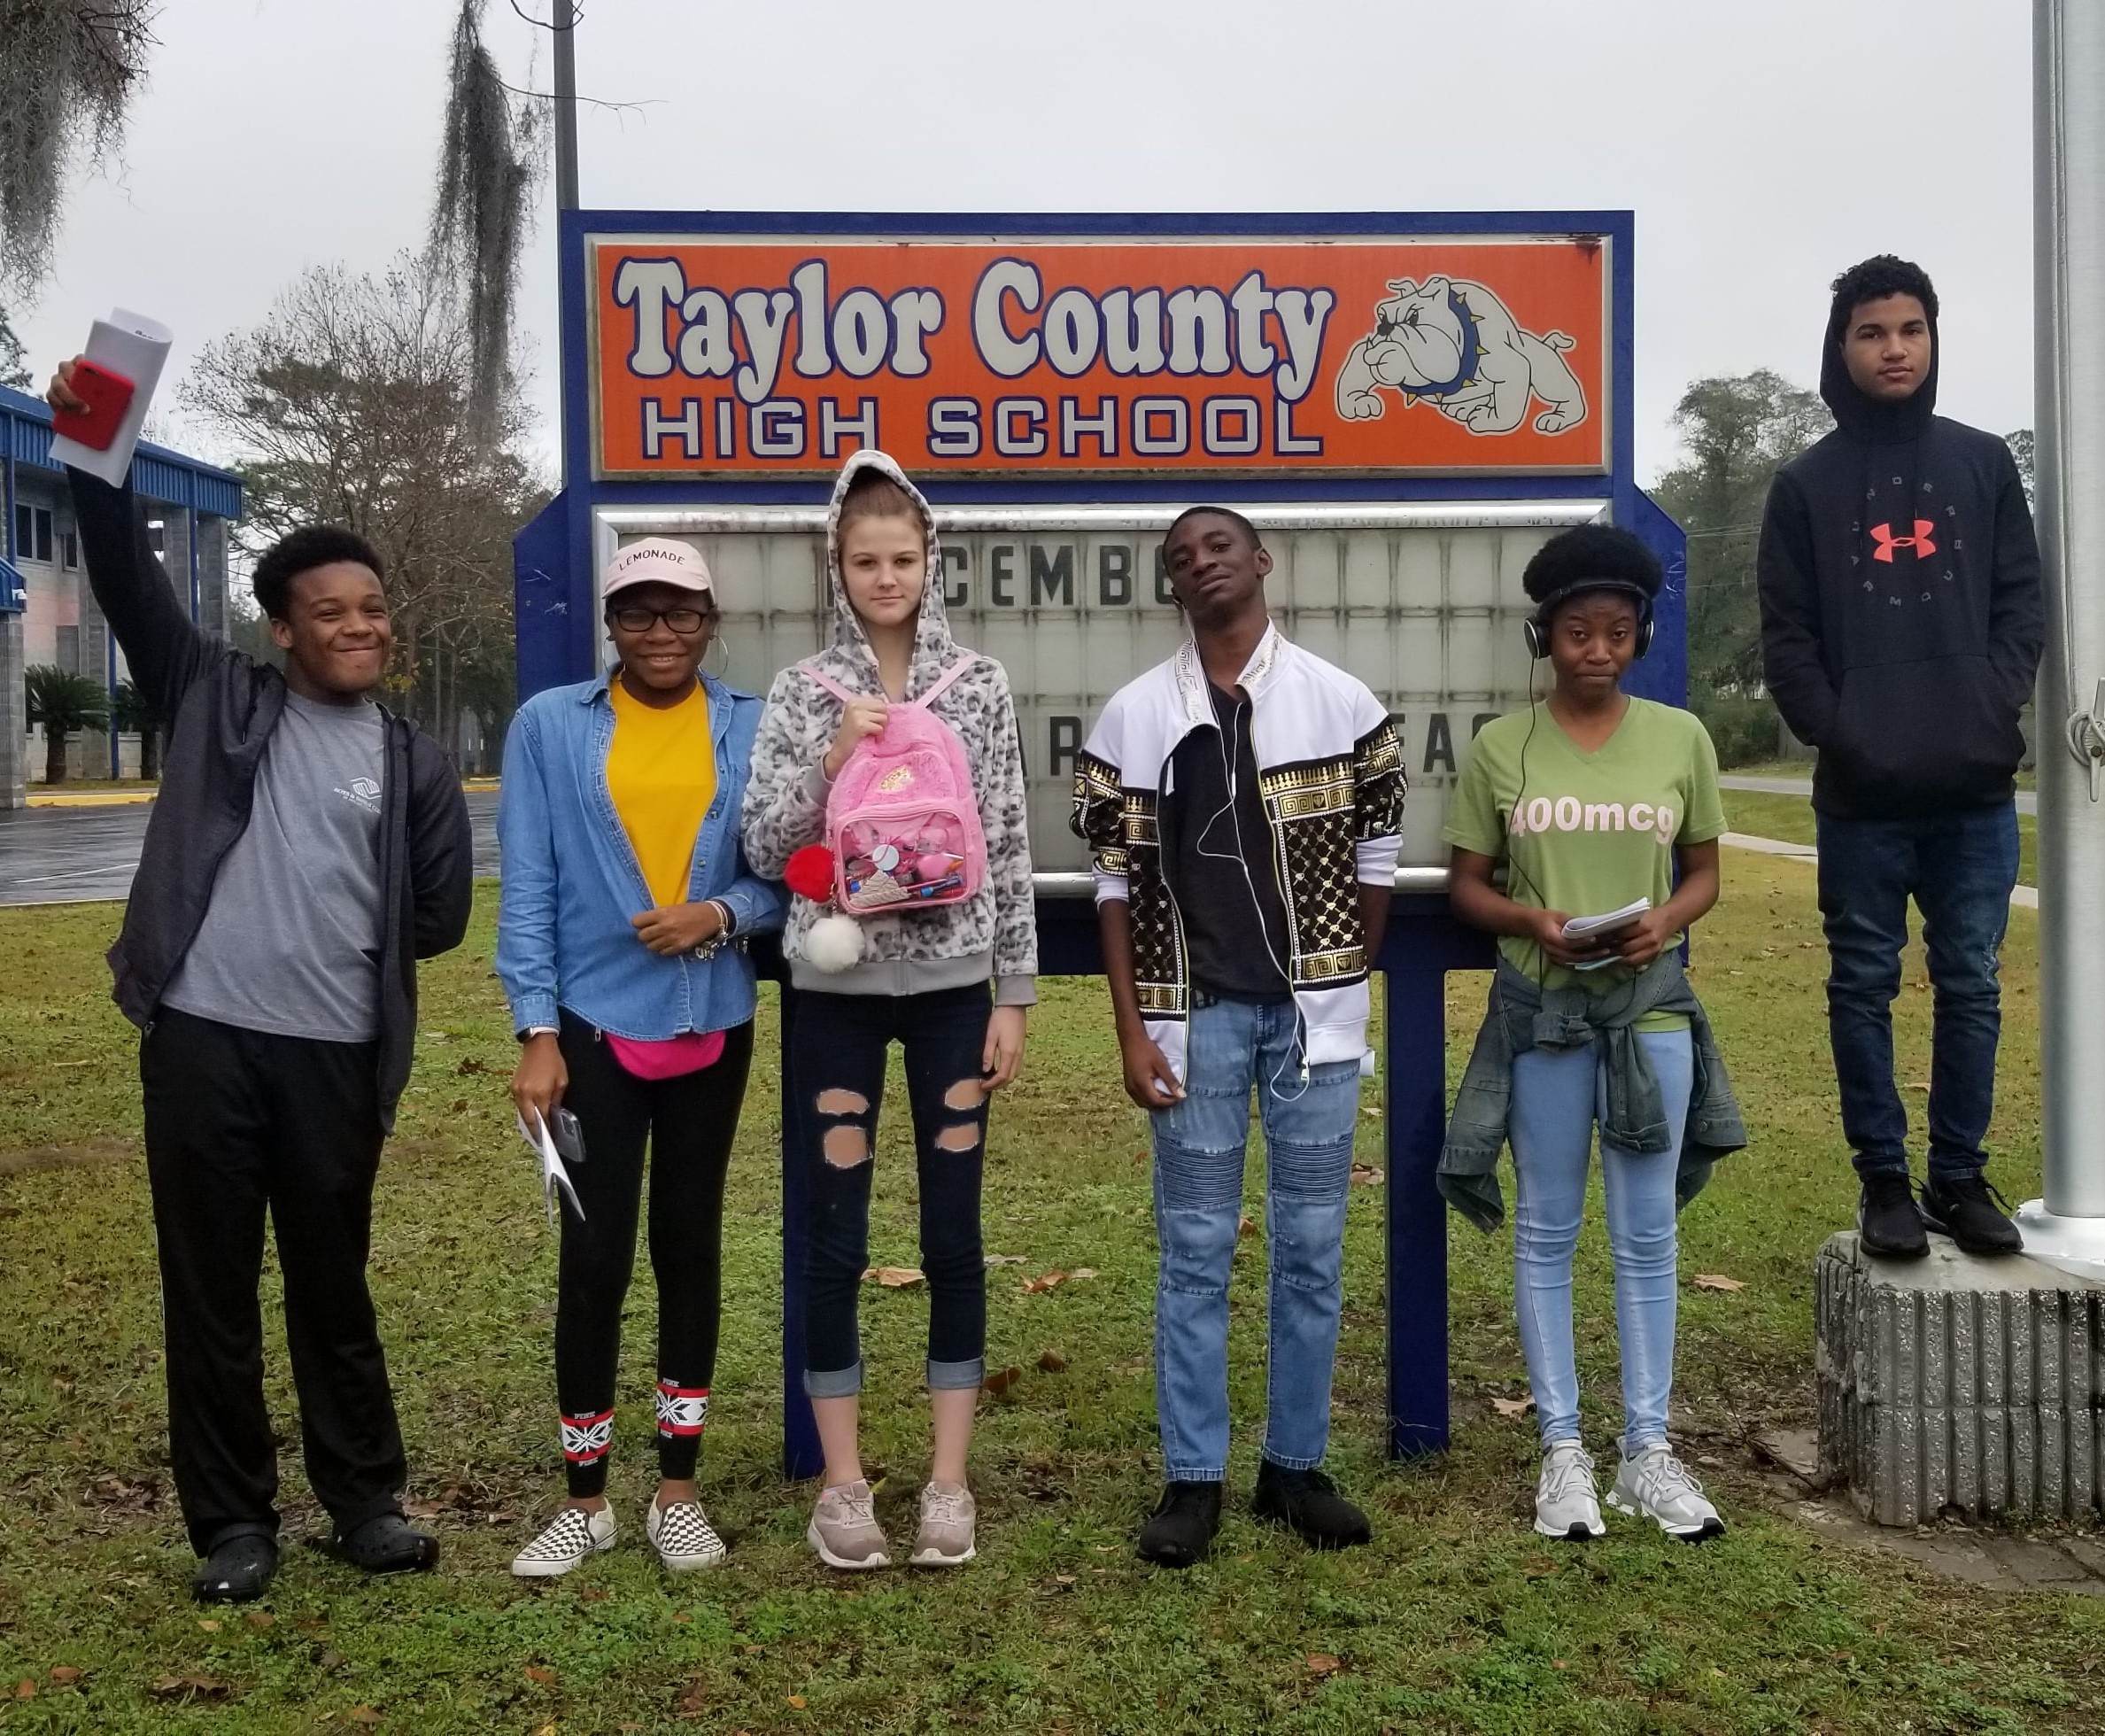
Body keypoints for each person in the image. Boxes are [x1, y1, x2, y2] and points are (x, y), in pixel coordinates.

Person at [44, 360, 473, 1603]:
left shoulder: (413, 760)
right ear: (280, 627)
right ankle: (235, 1524)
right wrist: (95, 437)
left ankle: (364, 1503)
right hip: (202, 1042)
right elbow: (121, 570)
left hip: (335, 1054)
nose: (360, 627)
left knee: (334, 1283)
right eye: (330, 612)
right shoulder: (212, 695)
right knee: (212, 1289)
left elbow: (435, 917)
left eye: (373, 609)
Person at [1070, 507, 1405, 1569]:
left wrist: (1341, 978)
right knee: (1197, 1252)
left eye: (1218, 546)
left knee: (1311, 1246)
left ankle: (1295, 1466)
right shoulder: (1133, 717)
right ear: (1171, 586)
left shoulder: (1342, 703)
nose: (1199, 562)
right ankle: (1195, 1475)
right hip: (1192, 1018)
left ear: (1261, 561)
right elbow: (1112, 885)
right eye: (1180, 557)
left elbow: (1380, 857)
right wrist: (1132, 1030)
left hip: (1313, 1028)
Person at [741, 450, 1037, 1571]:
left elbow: (1006, 838)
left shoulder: (981, 688)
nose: (884, 577)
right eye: (863, 560)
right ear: (836, 565)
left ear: (930, 562)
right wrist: (834, 755)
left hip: (958, 995)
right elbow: (766, 846)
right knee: (833, 1239)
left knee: (953, 1232)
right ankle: (844, 1485)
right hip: (835, 997)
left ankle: (949, 1486)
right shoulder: (800, 692)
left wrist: (1013, 992)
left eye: (901, 558)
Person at [1440, 523, 1744, 1544]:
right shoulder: (1500, 747)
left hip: (1648, 1012)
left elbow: (1703, 866)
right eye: (1576, 631)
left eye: (1617, 631)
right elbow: (1466, 883)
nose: (1597, 650)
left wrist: (1669, 917)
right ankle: (1562, 1451)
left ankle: (1647, 1451)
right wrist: (1531, 922)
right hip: (1545, 1020)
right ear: (1546, 638)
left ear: (1641, 635)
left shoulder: (1680, 739)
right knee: (1547, 1230)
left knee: (1648, 1234)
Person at [497, 537, 784, 1577]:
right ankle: (586, 1499)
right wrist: (536, 1030)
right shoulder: (548, 727)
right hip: (589, 1032)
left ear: (711, 623)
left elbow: (786, 875)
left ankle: (676, 1489)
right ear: (610, 625)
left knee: (689, 1250)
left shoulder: (752, 727)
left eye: (681, 614)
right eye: (638, 614)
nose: (660, 633)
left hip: (712, 1021)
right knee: (594, 1262)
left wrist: (720, 909)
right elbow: (527, 885)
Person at [1758, 256, 2044, 1259]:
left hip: (1971, 788)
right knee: (1861, 984)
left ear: (1932, 340)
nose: (1894, 349)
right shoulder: (1805, 484)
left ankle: (1958, 1178)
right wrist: (1844, 728)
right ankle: (1883, 1180)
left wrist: (1991, 698)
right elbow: (1786, 636)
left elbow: (2021, 602)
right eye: (1873, 332)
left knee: (1970, 981)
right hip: (1860, 796)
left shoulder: (1979, 464)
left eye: (1910, 330)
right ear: (1841, 346)